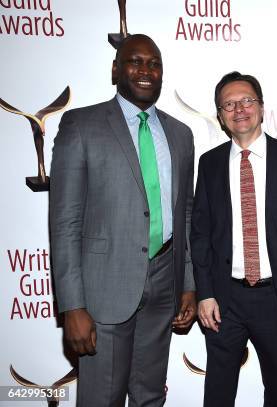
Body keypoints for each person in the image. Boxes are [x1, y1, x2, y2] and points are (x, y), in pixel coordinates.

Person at [49, 34, 196, 406]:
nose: (146, 70)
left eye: (154, 63)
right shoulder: (81, 125)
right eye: (135, 61)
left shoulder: (181, 135)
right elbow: (65, 221)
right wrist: (72, 305)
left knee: (149, 397)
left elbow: (187, 214)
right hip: (103, 292)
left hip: (165, 283)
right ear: (116, 69)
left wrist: (189, 284)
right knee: (102, 398)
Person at [190, 71, 277, 407]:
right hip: (225, 299)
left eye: (247, 100)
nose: (239, 109)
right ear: (220, 116)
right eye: (229, 104)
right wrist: (204, 293)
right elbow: (201, 234)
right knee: (218, 392)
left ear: (261, 108)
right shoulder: (209, 164)